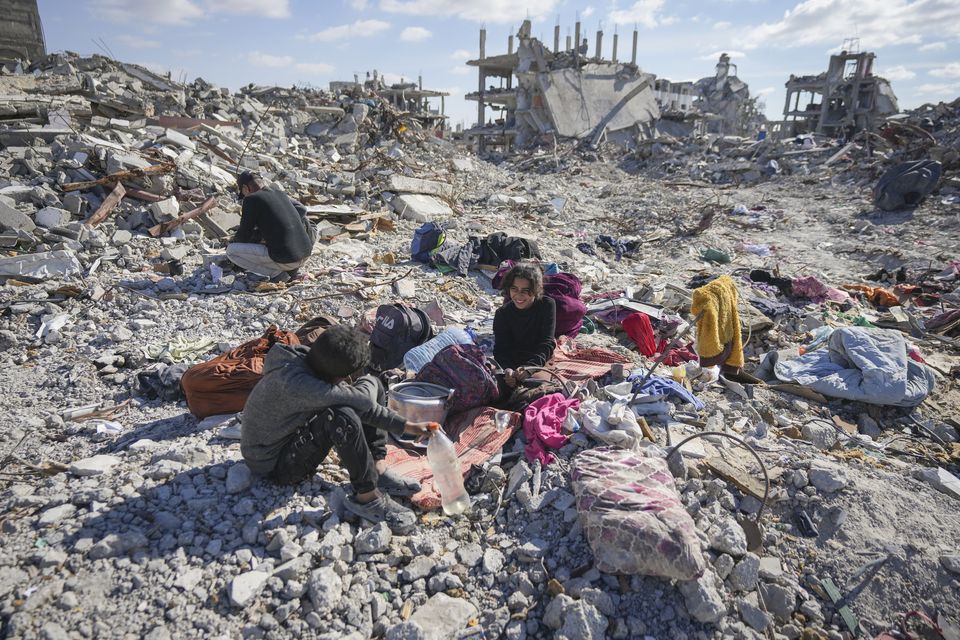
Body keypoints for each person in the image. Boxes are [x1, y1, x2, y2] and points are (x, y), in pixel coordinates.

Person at [241, 325, 429, 531]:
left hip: (284, 439)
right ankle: (367, 497)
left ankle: (378, 466)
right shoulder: (304, 386)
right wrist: (410, 427)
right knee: (342, 416)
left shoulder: (298, 359)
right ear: (341, 376)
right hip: (273, 465)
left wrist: (408, 425)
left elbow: (365, 397)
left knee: (372, 382)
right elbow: (363, 404)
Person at [226, 171, 316, 280]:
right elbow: (301, 209)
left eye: (243, 193)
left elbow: (244, 235)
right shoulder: (279, 193)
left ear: (245, 188)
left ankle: (277, 275)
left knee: (231, 251)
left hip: (286, 259)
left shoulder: (251, 199)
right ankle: (291, 271)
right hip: (306, 254)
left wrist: (233, 241)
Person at [493, 262, 557, 389]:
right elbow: (501, 348)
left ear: (535, 290)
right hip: (513, 362)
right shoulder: (502, 313)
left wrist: (529, 368)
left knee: (537, 385)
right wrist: (508, 370)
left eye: (525, 291)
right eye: (514, 289)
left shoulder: (547, 305)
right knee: (495, 385)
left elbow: (547, 342)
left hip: (538, 360)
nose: (519, 295)